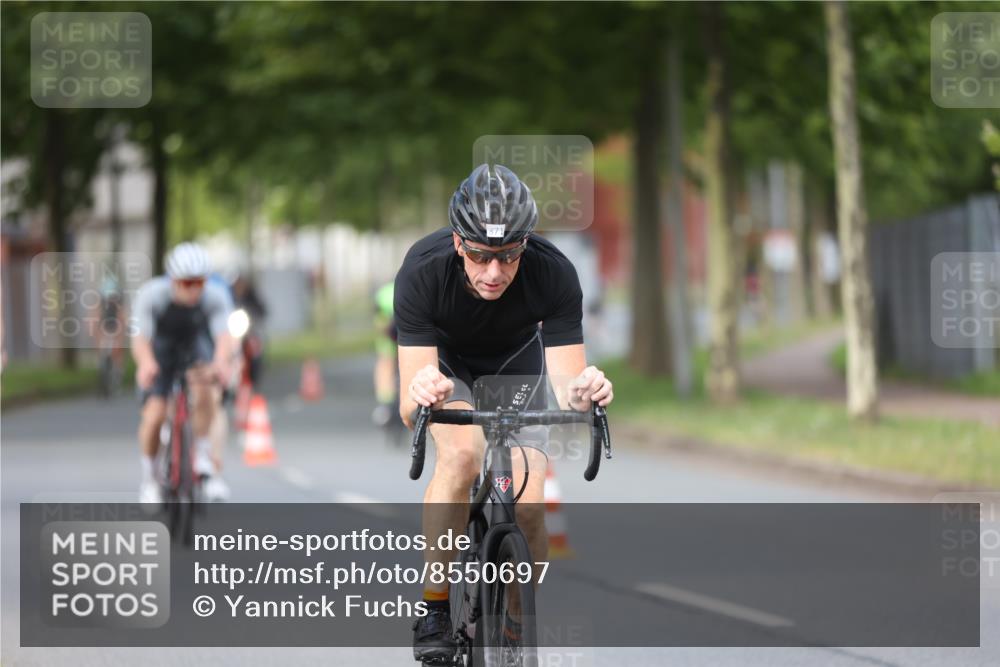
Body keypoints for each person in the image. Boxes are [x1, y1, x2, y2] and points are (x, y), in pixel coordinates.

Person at [396, 164, 614, 663]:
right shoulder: (422, 270)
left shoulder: (554, 272)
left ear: (525, 244)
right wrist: (423, 391)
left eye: (509, 255)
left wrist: (588, 391)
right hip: (447, 367)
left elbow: (569, 389)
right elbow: (411, 407)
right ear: (458, 242)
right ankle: (435, 607)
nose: (494, 272)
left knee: (530, 504)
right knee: (461, 457)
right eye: (479, 255)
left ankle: (515, 628)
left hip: (516, 365)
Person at [131, 243, 234, 504]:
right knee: (154, 416)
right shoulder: (152, 295)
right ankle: (150, 478)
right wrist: (146, 363)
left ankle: (202, 454)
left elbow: (223, 336)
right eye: (187, 283)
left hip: (195, 346)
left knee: (207, 389)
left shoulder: (215, 296)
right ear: (174, 280)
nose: (194, 289)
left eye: (200, 282)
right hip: (161, 351)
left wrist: (221, 362)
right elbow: (140, 337)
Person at [371, 280, 398, 427]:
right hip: (407, 333)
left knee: (385, 364)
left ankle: (385, 404)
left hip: (389, 334)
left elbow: (379, 322)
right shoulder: (417, 284)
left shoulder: (383, 293)